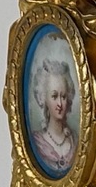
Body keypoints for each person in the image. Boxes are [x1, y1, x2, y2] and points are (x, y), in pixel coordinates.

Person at [29, 48, 78, 176]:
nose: (60, 104)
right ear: (43, 98)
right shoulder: (37, 142)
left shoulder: (75, 140)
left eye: (63, 96)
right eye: (54, 96)